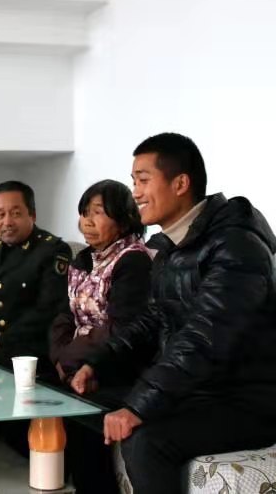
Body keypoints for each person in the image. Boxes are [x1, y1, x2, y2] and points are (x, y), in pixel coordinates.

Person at [70, 133, 276, 494]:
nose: (135, 192)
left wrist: (139, 407)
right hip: (196, 390)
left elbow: (205, 337)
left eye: (143, 180)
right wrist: (99, 363)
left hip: (244, 400)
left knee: (146, 442)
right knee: (83, 413)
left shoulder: (236, 245)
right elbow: (153, 320)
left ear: (180, 184)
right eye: (133, 181)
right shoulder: (172, 248)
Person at [49, 179, 153, 494]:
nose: (87, 221)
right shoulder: (83, 259)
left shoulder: (133, 261)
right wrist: (60, 358)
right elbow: (63, 315)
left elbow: (121, 328)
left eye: (97, 212)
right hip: (77, 362)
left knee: (81, 413)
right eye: (84, 213)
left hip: (117, 368)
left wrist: (77, 362)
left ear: (123, 219)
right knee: (33, 391)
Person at [0, 181, 71, 374]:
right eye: (0, 215)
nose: (7, 222)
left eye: (15, 213)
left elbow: (48, 310)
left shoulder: (53, 250)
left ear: (32, 215)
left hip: (30, 353)